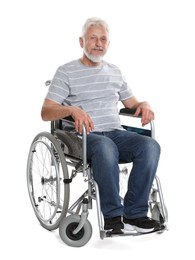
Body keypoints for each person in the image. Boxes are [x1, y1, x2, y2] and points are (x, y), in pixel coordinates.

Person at [41, 17, 163, 233]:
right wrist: (72, 109)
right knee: (106, 148)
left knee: (150, 146)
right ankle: (113, 218)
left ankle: (134, 214)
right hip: (82, 136)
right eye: (92, 38)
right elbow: (46, 111)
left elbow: (132, 104)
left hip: (115, 133)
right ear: (81, 42)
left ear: (108, 44)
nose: (98, 43)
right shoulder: (66, 71)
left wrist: (144, 104)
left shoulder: (115, 71)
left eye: (103, 39)